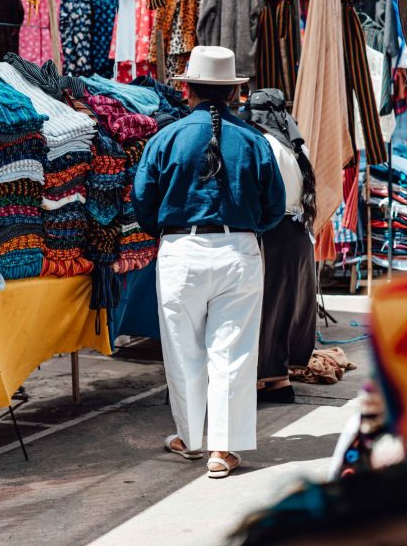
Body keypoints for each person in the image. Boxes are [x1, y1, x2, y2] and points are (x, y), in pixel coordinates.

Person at [133, 46, 286, 478]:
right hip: (238, 250)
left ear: (187, 89)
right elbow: (275, 207)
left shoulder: (165, 138)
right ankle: (223, 448)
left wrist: (169, 235)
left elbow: (143, 203)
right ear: (235, 92)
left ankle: (191, 438)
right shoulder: (256, 141)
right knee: (232, 352)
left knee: (183, 351)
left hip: (181, 251)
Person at [245, 89, 318, 404]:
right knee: (287, 308)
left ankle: (263, 379)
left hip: (274, 234)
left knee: (267, 308)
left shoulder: (267, 147)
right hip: (297, 235)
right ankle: (280, 381)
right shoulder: (294, 148)